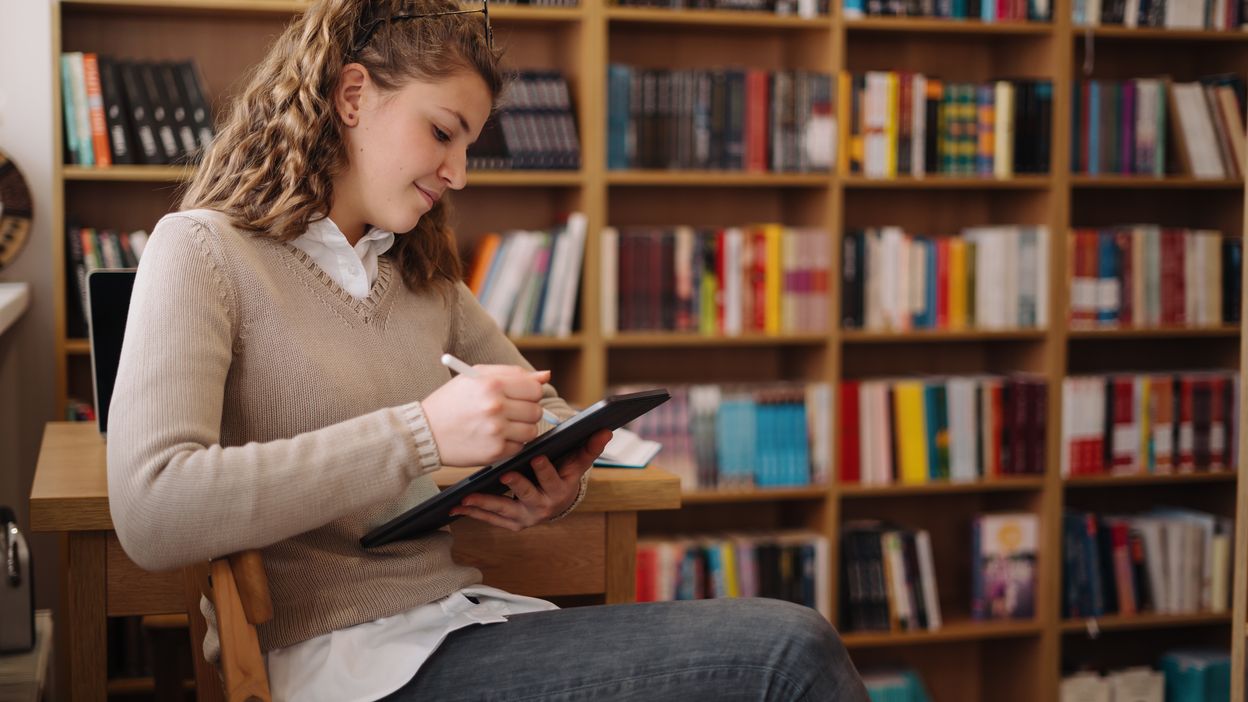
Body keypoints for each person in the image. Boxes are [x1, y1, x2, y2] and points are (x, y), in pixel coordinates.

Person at [106, 1, 869, 700]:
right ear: (352, 96)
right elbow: (154, 507)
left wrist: (558, 484)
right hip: (347, 662)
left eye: (469, 145)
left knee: (793, 647)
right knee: (789, 655)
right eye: (442, 133)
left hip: (463, 625)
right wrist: (419, 434)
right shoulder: (203, 251)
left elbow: (552, 415)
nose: (459, 173)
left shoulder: (418, 276)